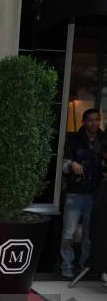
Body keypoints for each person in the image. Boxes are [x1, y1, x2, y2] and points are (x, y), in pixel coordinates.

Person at [60, 108, 107, 279]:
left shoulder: (104, 140)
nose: (94, 123)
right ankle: (66, 265)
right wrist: (72, 164)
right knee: (69, 232)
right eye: (90, 120)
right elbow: (64, 166)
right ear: (83, 122)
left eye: (97, 120)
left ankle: (85, 265)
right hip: (75, 193)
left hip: (95, 194)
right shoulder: (73, 139)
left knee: (90, 233)